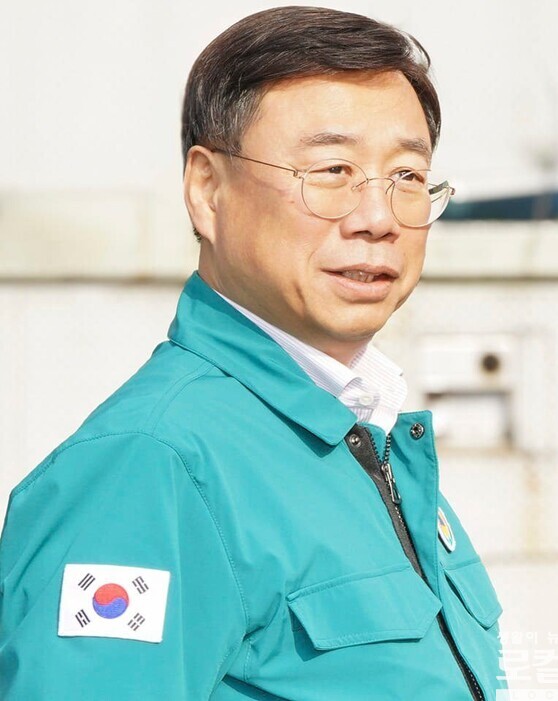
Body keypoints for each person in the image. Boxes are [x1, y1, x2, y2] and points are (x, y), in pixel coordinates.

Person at [0, 6, 507, 700]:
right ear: (207, 192)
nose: (378, 218)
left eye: (408, 177)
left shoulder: (364, 437)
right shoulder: (150, 465)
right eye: (332, 170)